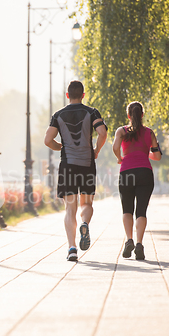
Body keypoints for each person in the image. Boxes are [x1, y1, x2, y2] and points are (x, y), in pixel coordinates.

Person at [44, 80, 108, 261]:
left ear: (67, 95)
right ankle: (85, 224)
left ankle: (72, 248)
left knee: (69, 209)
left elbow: (47, 140)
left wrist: (61, 147)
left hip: (68, 166)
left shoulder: (58, 115)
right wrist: (96, 150)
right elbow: (102, 133)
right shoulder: (92, 112)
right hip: (87, 164)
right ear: (83, 95)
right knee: (86, 204)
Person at [112, 101, 162, 260]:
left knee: (127, 209)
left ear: (128, 115)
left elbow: (115, 147)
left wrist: (120, 158)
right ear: (142, 114)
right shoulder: (150, 133)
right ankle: (139, 244)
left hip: (126, 172)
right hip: (145, 173)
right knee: (141, 211)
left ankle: (129, 240)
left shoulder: (121, 131)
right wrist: (144, 153)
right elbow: (158, 156)